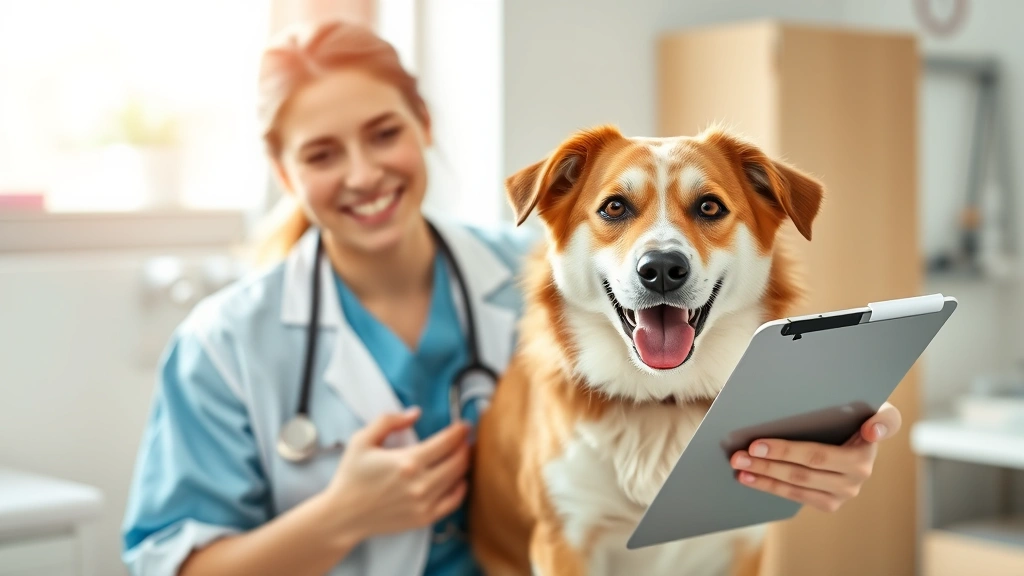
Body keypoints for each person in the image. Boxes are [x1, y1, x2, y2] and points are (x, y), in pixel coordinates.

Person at [120, 18, 903, 576]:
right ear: (285, 175)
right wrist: (343, 516)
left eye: (383, 133)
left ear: (424, 126)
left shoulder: (561, 269)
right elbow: (172, 565)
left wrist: (828, 443)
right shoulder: (223, 343)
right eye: (322, 153)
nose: (362, 173)